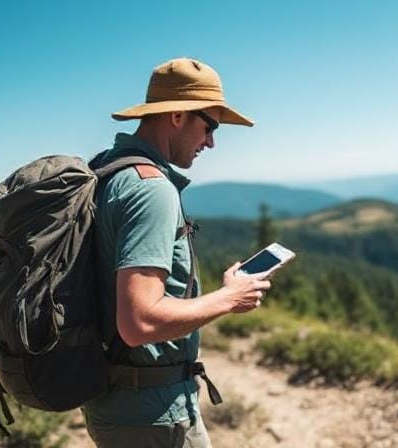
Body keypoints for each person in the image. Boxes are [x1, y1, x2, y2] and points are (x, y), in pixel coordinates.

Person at [81, 57, 271, 448]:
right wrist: (229, 298)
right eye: (210, 126)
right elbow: (139, 322)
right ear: (178, 115)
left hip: (119, 401)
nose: (212, 142)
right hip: (151, 415)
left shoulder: (106, 170)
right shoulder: (150, 189)